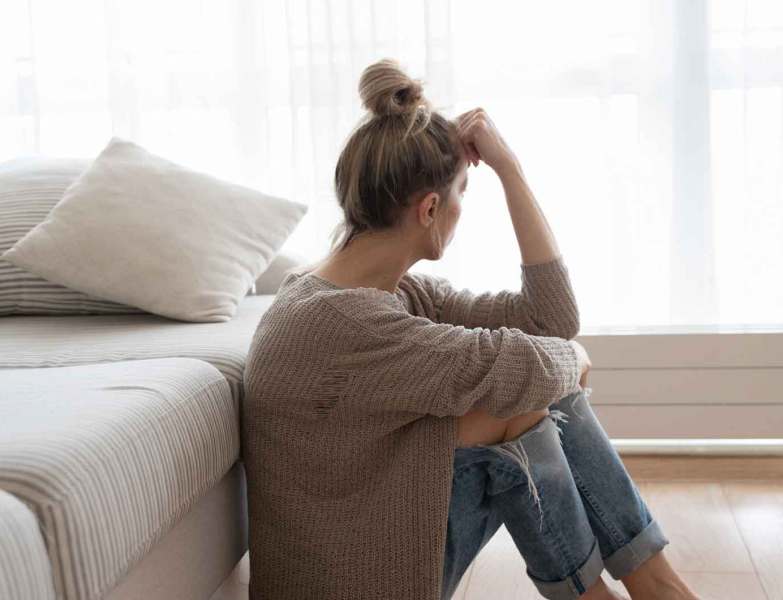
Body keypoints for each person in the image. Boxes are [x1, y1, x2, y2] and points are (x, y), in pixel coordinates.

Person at [243, 58, 701, 600]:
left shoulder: (387, 293)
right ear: (431, 208)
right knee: (521, 402)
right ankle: (655, 589)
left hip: (369, 530)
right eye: (464, 191)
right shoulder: (345, 324)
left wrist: (510, 170)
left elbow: (548, 319)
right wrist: (571, 357)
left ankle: (653, 589)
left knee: (524, 399)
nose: (463, 209)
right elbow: (540, 358)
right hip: (355, 578)